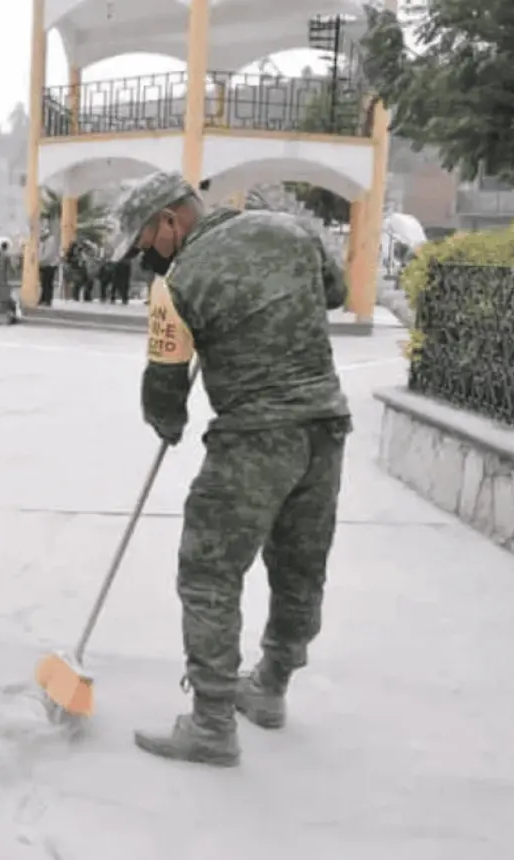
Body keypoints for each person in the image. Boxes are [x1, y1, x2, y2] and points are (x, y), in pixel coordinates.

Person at [113, 171, 352, 767]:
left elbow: (164, 389)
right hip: (324, 429)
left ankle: (213, 723)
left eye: (145, 241)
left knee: (209, 574)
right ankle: (270, 688)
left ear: (171, 220)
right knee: (300, 565)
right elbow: (336, 292)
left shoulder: (177, 285)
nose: (146, 256)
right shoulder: (289, 230)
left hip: (252, 440)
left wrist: (167, 422)